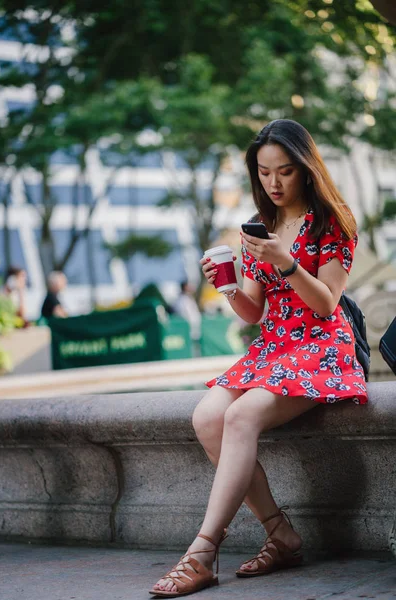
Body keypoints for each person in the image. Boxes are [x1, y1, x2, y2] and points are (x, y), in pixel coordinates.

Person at [150, 119, 367, 598]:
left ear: (307, 169)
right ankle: (281, 534)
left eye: (285, 172)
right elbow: (252, 311)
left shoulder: (334, 221)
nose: (274, 183)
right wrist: (226, 284)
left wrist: (283, 260)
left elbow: (327, 303)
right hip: (273, 347)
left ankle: (202, 553)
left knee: (243, 415)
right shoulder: (260, 225)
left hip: (319, 346)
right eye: (265, 173)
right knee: (208, 417)